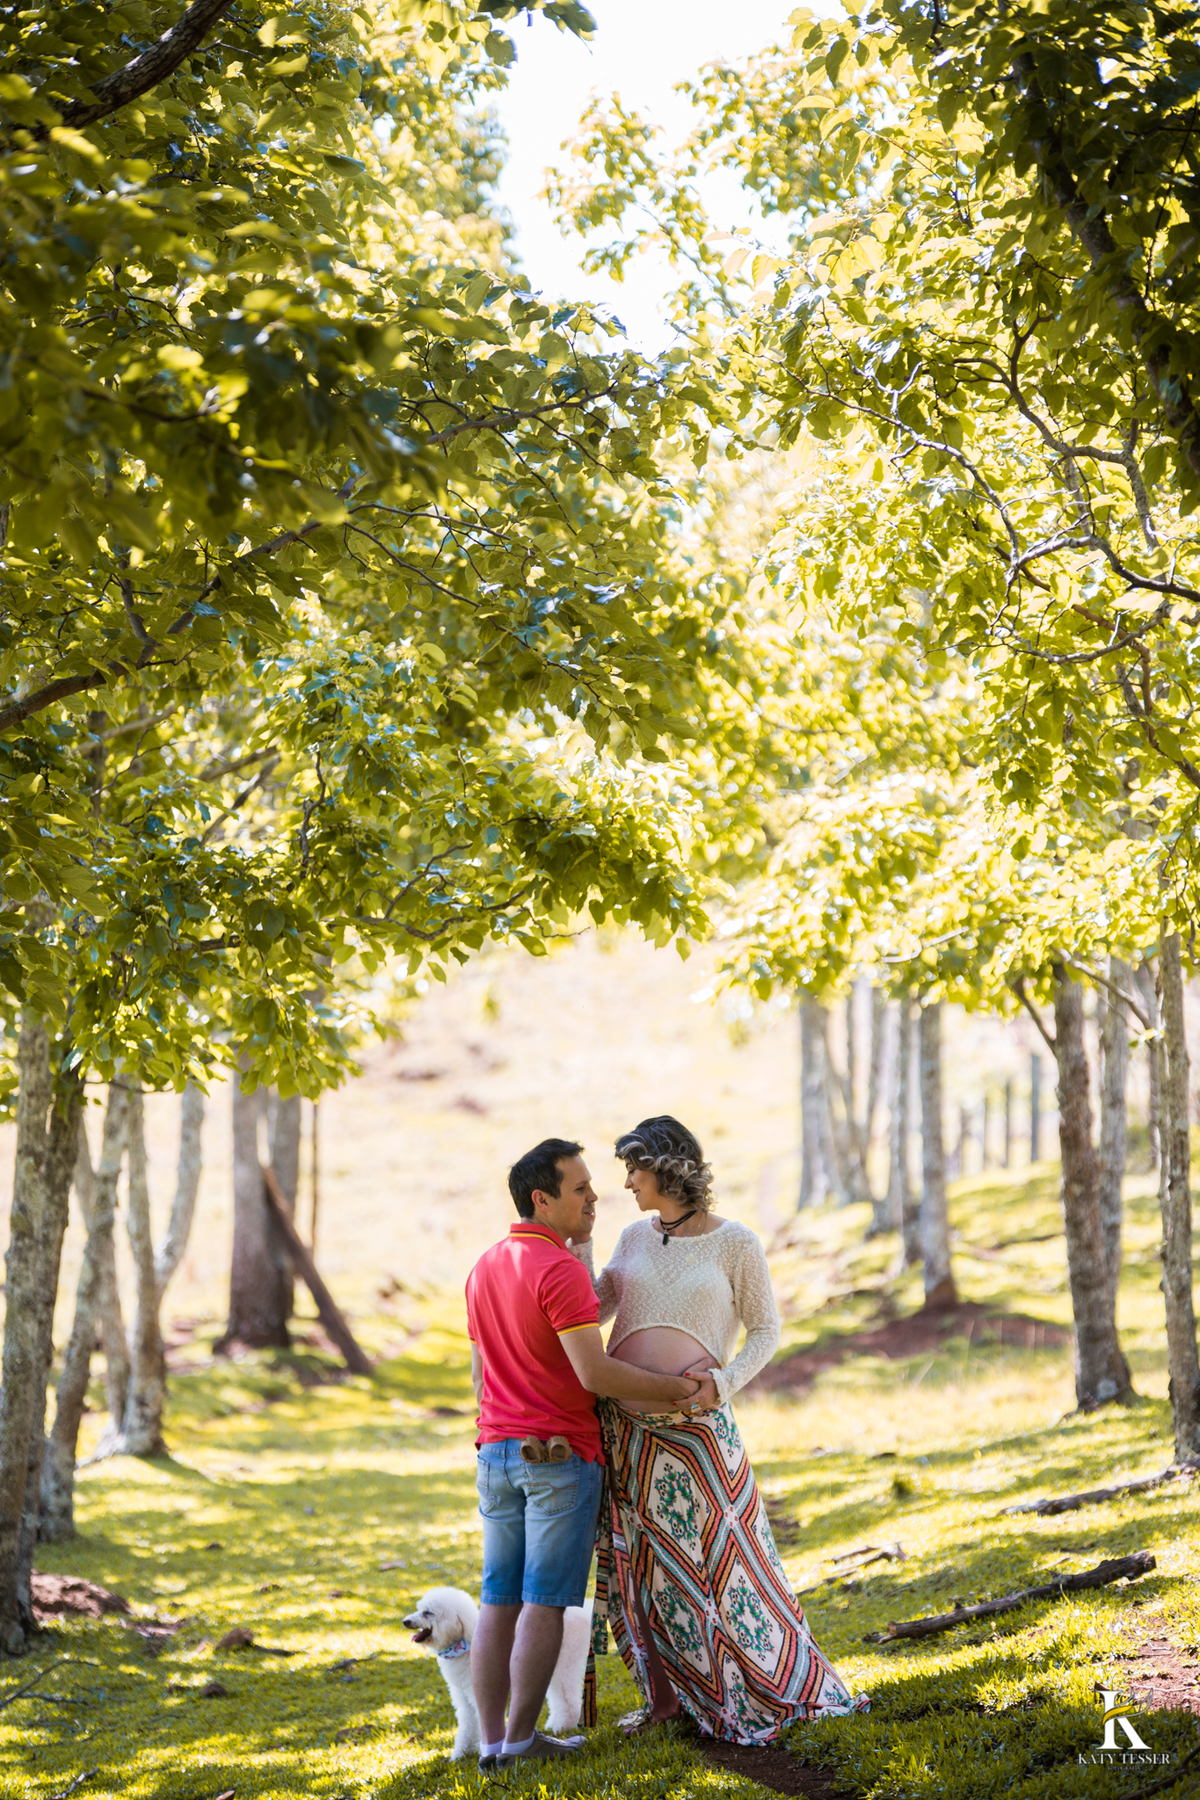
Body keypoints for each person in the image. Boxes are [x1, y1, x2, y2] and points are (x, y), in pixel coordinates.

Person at [569, 1114, 870, 1745]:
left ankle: (761, 1681)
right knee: (647, 1568)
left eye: (635, 1168)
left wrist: (725, 1382)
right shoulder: (630, 1237)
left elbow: (765, 1330)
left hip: (700, 1428)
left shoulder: (737, 1243)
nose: (627, 1182)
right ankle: (666, 1700)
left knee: (732, 1564)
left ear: (668, 1167)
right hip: (629, 1429)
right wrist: (582, 1249)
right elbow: (592, 1310)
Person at [465, 1136, 704, 1770]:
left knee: (498, 1599)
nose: (595, 1198)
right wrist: (679, 1390)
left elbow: (480, 1372)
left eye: (594, 1186)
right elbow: (595, 1373)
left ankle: (492, 1740)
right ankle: (519, 1741)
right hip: (558, 1459)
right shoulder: (560, 1269)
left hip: (496, 1455)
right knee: (544, 1600)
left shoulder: (486, 1265)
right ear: (541, 1199)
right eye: (580, 1189)